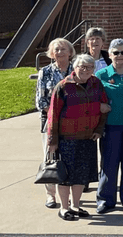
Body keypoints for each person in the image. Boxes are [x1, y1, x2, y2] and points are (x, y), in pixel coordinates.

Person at [46, 54, 108, 221]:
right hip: (67, 138)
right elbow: (53, 115)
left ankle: (75, 205)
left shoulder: (96, 83)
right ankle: (64, 208)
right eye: (82, 67)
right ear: (75, 67)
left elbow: (105, 108)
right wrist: (52, 141)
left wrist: (99, 129)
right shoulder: (64, 86)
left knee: (81, 175)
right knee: (65, 176)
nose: (86, 70)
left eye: (90, 67)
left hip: (87, 137)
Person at [96, 39, 123, 214]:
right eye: (116, 52)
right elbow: (94, 99)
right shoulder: (101, 75)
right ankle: (106, 200)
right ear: (109, 54)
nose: (119, 56)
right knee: (109, 163)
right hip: (110, 126)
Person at [36, 38, 75, 209]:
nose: (59, 52)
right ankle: (50, 195)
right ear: (52, 53)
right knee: (50, 157)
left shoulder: (78, 70)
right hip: (51, 122)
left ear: (70, 52)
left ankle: (72, 197)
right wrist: (56, 117)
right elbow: (41, 101)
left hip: (74, 123)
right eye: (56, 49)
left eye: (62, 49)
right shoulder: (45, 72)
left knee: (72, 157)